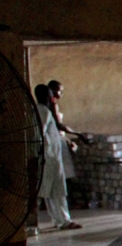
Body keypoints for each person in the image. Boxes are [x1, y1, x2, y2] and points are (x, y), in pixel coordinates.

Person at [34, 84, 81, 231]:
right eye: (49, 94)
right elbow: (39, 135)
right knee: (47, 190)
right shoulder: (43, 112)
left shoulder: (44, 111)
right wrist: (40, 154)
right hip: (48, 157)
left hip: (52, 156)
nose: (51, 97)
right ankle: (33, 223)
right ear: (44, 96)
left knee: (55, 190)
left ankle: (61, 220)